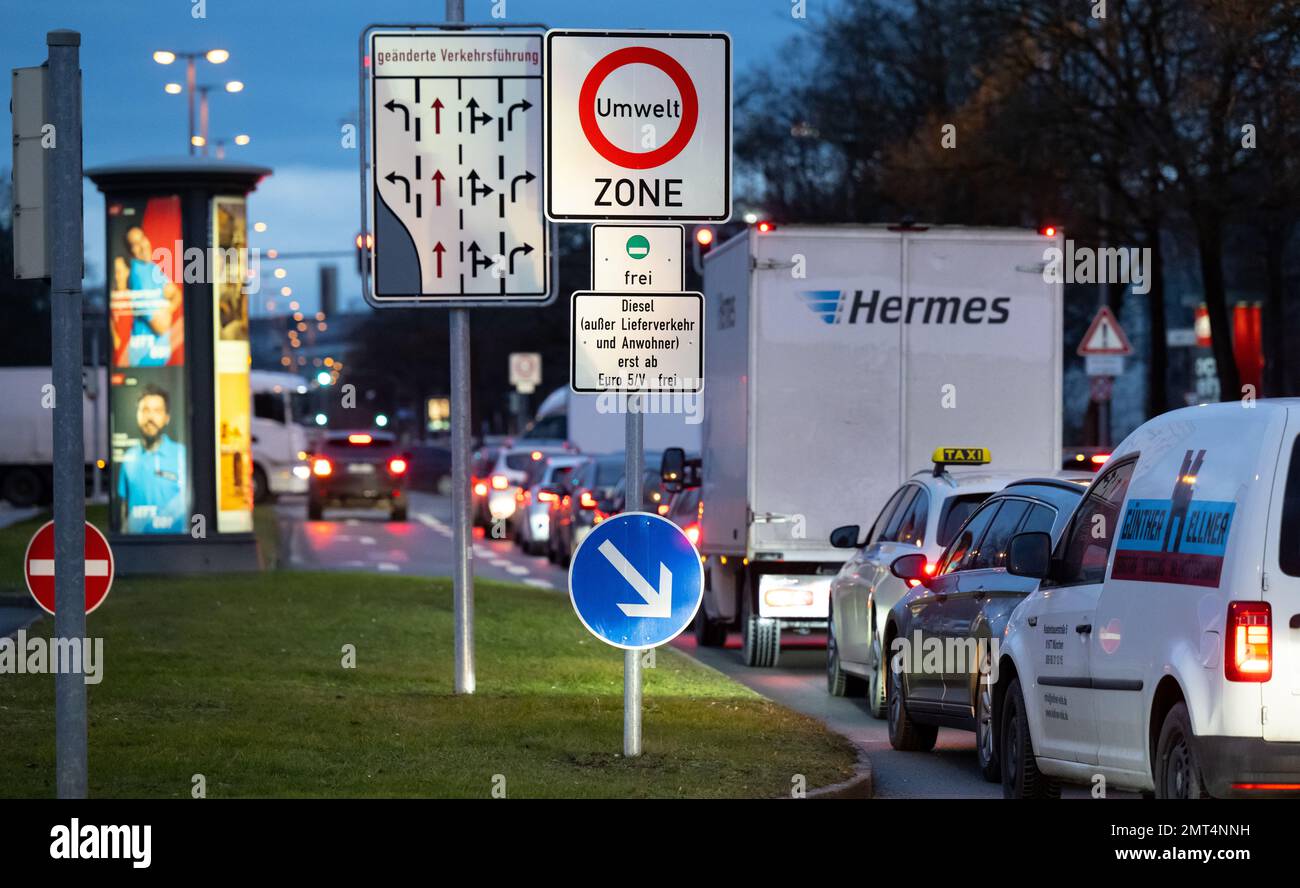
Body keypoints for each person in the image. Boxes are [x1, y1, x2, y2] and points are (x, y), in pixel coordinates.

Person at [117, 384, 188, 534]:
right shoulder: (129, 458)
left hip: (176, 547)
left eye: (157, 411)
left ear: (167, 417)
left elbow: (196, 507)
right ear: (137, 415)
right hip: (137, 548)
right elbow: (124, 509)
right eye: (145, 410)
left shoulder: (182, 455)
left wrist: (196, 542)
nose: (150, 417)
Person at [111, 226, 183, 366]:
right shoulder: (138, 274)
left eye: (142, 239)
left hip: (157, 359)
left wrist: (165, 308)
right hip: (143, 361)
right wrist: (166, 302)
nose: (143, 246)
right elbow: (161, 326)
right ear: (131, 251)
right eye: (135, 244)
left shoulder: (151, 267)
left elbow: (177, 295)